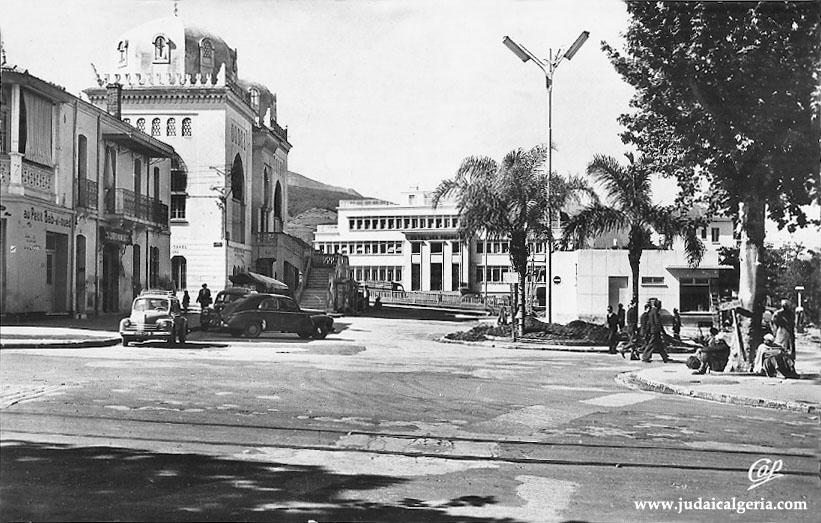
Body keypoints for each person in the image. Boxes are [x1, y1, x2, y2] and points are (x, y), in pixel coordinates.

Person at [642, 298, 671, 363]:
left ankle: (665, 357)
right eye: (660, 305)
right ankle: (645, 357)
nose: (661, 306)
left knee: (660, 345)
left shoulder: (652, 311)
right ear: (658, 305)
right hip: (655, 331)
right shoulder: (655, 312)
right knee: (651, 344)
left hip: (654, 331)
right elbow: (657, 322)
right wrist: (662, 331)